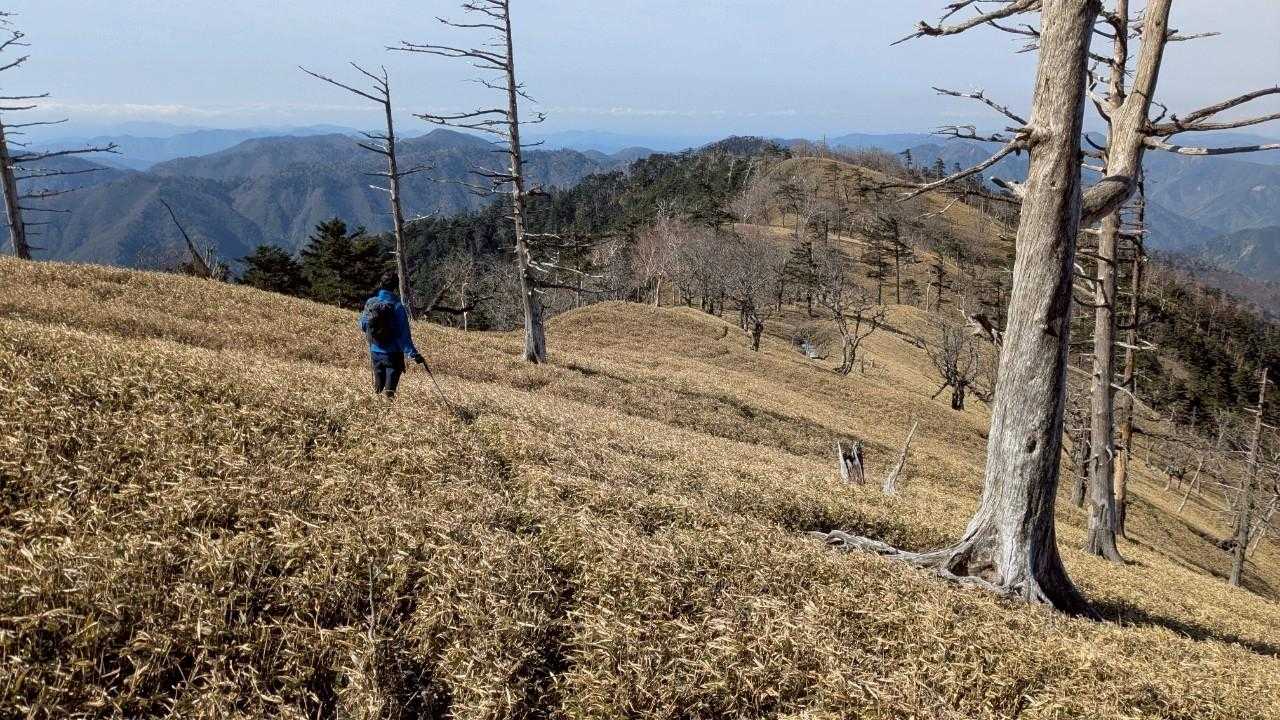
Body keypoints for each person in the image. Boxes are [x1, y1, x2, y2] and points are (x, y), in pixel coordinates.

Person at [359, 272, 425, 400]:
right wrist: (414, 355)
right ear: (395, 287)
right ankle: (387, 409)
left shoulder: (371, 302)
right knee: (389, 393)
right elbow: (404, 335)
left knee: (378, 389)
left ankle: (374, 408)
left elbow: (363, 324)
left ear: (380, 284)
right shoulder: (398, 306)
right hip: (393, 355)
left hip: (375, 352)